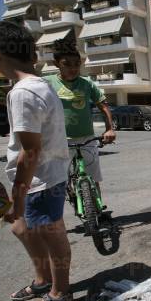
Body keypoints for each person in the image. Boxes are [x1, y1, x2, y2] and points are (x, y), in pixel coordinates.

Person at [0, 21, 73, 301]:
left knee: (52, 234)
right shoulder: (39, 84)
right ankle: (43, 280)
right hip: (43, 176)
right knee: (21, 228)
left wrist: (19, 194)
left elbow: (31, 151)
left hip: (40, 179)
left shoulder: (22, 93)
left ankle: (60, 292)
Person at [44, 40, 115, 197]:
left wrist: (110, 129)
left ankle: (97, 209)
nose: (73, 68)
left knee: (93, 176)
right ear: (56, 64)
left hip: (86, 138)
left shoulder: (87, 84)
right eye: (67, 64)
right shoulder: (47, 83)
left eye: (77, 64)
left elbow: (103, 106)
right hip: (59, 140)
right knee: (58, 180)